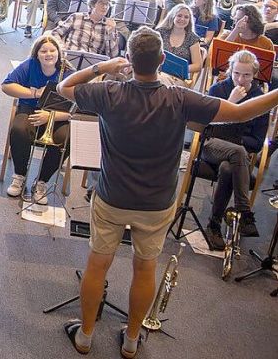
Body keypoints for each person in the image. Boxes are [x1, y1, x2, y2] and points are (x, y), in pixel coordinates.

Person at [56, 26, 278, 359]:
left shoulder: (108, 92)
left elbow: (64, 86)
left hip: (112, 197)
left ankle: (85, 337)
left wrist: (103, 67)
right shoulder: (181, 98)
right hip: (157, 203)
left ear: (129, 60)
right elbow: (243, 112)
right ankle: (131, 341)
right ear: (162, 59)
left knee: (97, 265)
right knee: (145, 268)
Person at [202, 50, 267, 249]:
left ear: (254, 75)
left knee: (228, 168)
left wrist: (236, 140)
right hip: (212, 145)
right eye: (236, 73)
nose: (240, 79)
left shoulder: (259, 98)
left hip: (237, 154)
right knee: (237, 152)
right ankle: (244, 213)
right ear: (230, 70)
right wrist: (231, 103)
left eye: (246, 75)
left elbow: (257, 142)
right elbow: (206, 125)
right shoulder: (218, 89)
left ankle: (214, 224)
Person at [2, 35, 70, 204]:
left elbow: (76, 108)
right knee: (19, 130)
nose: (48, 54)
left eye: (52, 50)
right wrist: (34, 93)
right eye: (43, 51)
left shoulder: (68, 72)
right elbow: (6, 85)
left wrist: (51, 116)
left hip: (57, 115)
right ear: (37, 54)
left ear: (59, 53)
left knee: (68, 138)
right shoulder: (30, 65)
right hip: (30, 108)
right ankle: (20, 176)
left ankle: (41, 182)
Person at [50, 0, 119, 58]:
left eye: (107, 4)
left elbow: (113, 55)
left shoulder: (109, 25)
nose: (105, 7)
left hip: (93, 63)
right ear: (92, 5)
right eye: (101, 3)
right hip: (71, 56)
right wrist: (61, 46)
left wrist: (111, 33)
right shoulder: (77, 17)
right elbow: (55, 33)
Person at [154, 4, 204, 81]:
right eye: (179, 16)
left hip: (178, 78)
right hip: (157, 72)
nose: (182, 19)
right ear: (173, 16)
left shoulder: (192, 38)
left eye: (186, 17)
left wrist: (177, 69)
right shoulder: (160, 32)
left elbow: (198, 65)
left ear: (189, 20)